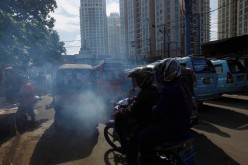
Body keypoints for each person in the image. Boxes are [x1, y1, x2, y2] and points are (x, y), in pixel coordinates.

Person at [136, 58, 193, 165]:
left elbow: (158, 112)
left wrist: (153, 111)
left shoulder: (168, 90)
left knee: (141, 137)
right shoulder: (182, 86)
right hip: (184, 125)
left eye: (161, 72)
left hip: (171, 128)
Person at [114, 67, 159, 165]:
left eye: (139, 79)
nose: (137, 81)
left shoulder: (145, 93)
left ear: (145, 80)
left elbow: (132, 109)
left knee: (131, 148)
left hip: (144, 123)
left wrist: (122, 112)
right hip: (153, 120)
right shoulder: (153, 88)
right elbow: (138, 101)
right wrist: (135, 99)